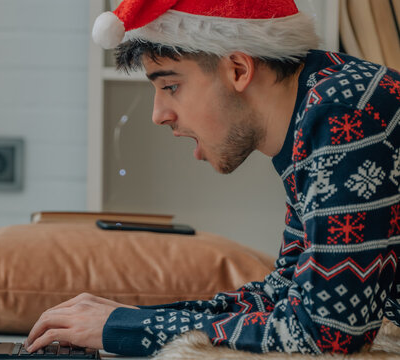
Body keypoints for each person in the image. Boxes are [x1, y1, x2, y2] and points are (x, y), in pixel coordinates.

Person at [25, 0, 400, 356]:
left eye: (170, 86)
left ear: (238, 69)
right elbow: (284, 293)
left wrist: (131, 328)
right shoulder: (320, 108)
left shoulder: (345, 118)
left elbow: (323, 332)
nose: (158, 115)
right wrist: (129, 318)